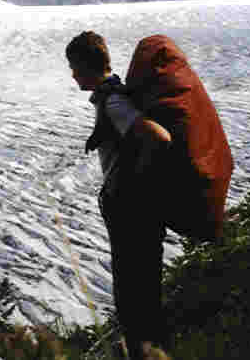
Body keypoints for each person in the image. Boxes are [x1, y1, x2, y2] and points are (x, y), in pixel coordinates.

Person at [65, 31, 173, 359]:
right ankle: (153, 348)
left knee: (132, 291)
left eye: (73, 67)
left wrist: (133, 183)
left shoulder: (113, 102)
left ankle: (144, 351)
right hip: (138, 207)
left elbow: (160, 138)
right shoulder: (113, 94)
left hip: (132, 209)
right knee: (144, 285)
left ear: (86, 65)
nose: (72, 74)